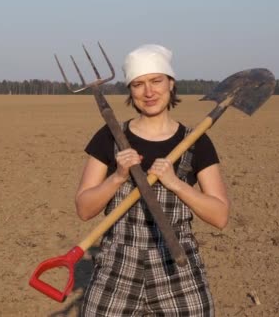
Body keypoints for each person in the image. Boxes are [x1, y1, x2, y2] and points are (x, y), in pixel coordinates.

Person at [76, 44, 230, 316]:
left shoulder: (196, 142)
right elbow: (84, 209)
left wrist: (176, 183)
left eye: (156, 81)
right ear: (130, 91)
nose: (148, 92)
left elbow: (220, 216)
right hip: (117, 266)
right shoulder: (109, 137)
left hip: (177, 266)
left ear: (171, 83)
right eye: (138, 84)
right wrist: (118, 177)